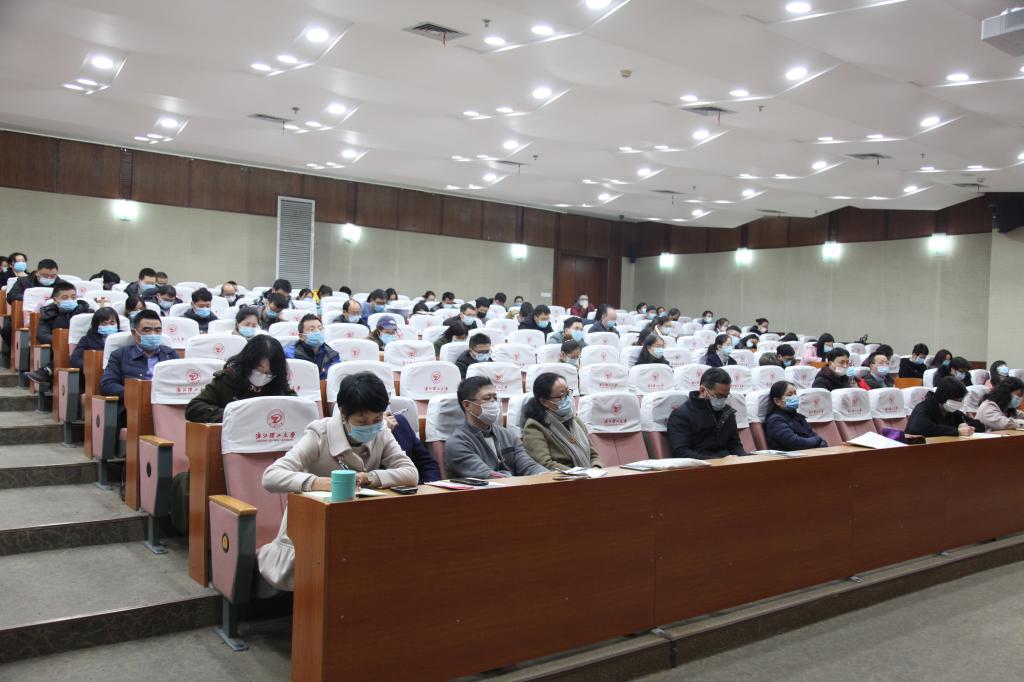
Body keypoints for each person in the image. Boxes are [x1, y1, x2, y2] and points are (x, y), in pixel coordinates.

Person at [258, 372, 419, 591]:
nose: (371, 426)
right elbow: (271, 476)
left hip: (358, 525)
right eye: (362, 421)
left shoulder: (381, 432)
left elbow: (410, 473)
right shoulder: (320, 433)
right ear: (343, 412)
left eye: (377, 419)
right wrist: (318, 483)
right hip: (313, 527)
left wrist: (370, 477)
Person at [444, 376, 548, 478]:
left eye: (495, 398)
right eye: (487, 398)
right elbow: (487, 475)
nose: (493, 403)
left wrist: (548, 476)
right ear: (467, 405)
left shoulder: (508, 435)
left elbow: (528, 466)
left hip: (514, 486)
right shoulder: (457, 443)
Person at [185, 335, 296, 423]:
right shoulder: (228, 378)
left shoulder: (277, 382)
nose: (263, 375)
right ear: (248, 362)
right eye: (259, 368)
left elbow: (296, 407)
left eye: (269, 373)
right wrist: (234, 415)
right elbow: (194, 408)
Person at [100, 310, 178, 422]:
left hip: (166, 405)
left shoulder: (170, 354)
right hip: (133, 408)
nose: (153, 334)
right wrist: (138, 393)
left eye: (157, 330)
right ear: (134, 332)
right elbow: (107, 385)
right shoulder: (120, 355)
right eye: (147, 330)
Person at [522, 373, 601, 471]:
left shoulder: (576, 421)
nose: (568, 399)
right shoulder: (534, 426)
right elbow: (545, 464)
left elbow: (593, 455)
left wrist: (596, 467)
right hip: (562, 478)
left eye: (568, 393)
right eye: (561, 396)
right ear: (544, 402)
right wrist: (581, 473)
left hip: (589, 475)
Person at [666, 367, 745, 460]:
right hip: (700, 465)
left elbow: (735, 446)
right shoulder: (681, 415)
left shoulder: (727, 412)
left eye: (726, 396)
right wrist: (718, 461)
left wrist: (746, 459)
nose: (723, 400)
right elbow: (681, 452)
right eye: (719, 396)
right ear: (702, 390)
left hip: (729, 464)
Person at [26, 280, 91, 383]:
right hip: (56, 349)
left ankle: (47, 370)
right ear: (55, 300)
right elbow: (42, 335)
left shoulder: (87, 312)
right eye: (65, 298)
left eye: (73, 297)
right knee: (65, 349)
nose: (70, 300)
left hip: (84, 348)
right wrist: (63, 341)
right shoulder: (48, 314)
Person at [907, 376, 984, 437]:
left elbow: (979, 426)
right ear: (943, 397)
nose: (959, 403)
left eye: (961, 400)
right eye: (957, 400)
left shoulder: (953, 412)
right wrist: (957, 431)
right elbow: (920, 428)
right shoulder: (923, 408)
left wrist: (967, 427)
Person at [764, 381, 828, 451]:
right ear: (777, 401)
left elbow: (820, 440)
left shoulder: (799, 417)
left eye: (795, 393)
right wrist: (817, 440)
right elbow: (795, 443)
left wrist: (818, 441)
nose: (794, 397)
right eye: (789, 394)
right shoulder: (775, 421)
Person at [284, 314, 340, 379]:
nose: (317, 331)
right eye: (312, 329)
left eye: (320, 328)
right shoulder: (289, 354)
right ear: (301, 336)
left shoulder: (332, 355)